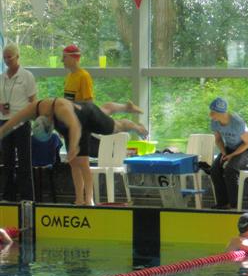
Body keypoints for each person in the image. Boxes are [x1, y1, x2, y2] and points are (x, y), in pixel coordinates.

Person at [0, 98, 147, 206]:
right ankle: (79, 199)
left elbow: (75, 127)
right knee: (74, 162)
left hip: (86, 117)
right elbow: (11, 123)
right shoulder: (33, 110)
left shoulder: (61, 109)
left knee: (116, 127)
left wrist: (73, 147)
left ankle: (136, 127)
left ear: (50, 123)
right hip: (72, 122)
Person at [1, 43, 36, 201]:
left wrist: (31, 118)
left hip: (22, 122)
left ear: (17, 56)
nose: (7, 60)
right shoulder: (2, 77)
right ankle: (8, 196)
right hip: (4, 122)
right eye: (4, 57)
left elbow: (33, 101)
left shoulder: (27, 76)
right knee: (7, 161)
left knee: (24, 161)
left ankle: (27, 198)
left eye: (10, 57)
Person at [209, 97, 248, 209]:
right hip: (229, 148)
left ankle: (234, 205)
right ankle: (222, 203)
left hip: (245, 150)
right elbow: (218, 140)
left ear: (221, 113)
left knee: (231, 170)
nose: (210, 115)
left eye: (213, 112)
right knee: (214, 169)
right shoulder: (215, 122)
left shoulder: (237, 123)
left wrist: (232, 156)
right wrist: (224, 153)